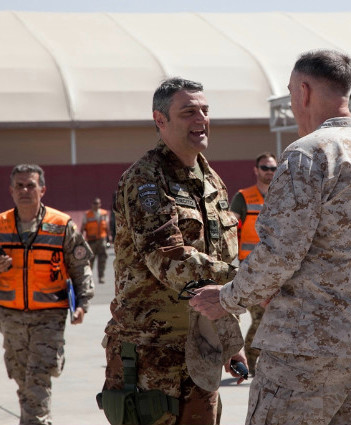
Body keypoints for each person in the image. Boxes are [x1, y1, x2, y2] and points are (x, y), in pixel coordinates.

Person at [191, 49, 351, 425]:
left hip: (308, 351)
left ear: (304, 92)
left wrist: (228, 298)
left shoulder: (307, 154)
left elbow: (280, 252)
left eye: (292, 92)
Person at [100, 77, 245, 425]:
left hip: (201, 347)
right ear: (160, 119)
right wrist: (245, 282)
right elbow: (168, 259)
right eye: (189, 112)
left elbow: (223, 256)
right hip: (151, 354)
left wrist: (230, 336)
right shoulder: (146, 179)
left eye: (205, 111)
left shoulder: (212, 181)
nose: (201, 119)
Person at [0, 164, 94, 425]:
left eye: (30, 185)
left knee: (37, 380)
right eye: (19, 186)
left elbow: (80, 266)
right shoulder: (0, 225)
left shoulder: (61, 224)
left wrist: (82, 304)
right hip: (10, 316)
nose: (25, 190)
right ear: (11, 191)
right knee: (22, 379)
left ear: (42, 190)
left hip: (49, 317)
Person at [229, 152, 277, 377]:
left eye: (273, 168)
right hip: (250, 271)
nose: (269, 172)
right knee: (259, 318)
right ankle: (249, 361)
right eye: (265, 168)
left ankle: (263, 364)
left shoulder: (281, 196)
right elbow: (229, 228)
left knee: (273, 318)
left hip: (276, 271)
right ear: (256, 170)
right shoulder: (243, 197)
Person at [81, 197, 111, 284]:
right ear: (92, 204)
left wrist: (109, 237)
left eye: (98, 203)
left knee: (102, 259)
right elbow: (83, 227)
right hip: (91, 240)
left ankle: (101, 277)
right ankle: (89, 278)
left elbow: (107, 226)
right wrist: (81, 239)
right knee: (90, 260)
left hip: (101, 239)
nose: (96, 205)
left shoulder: (104, 213)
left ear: (100, 204)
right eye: (95, 203)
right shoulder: (87, 214)